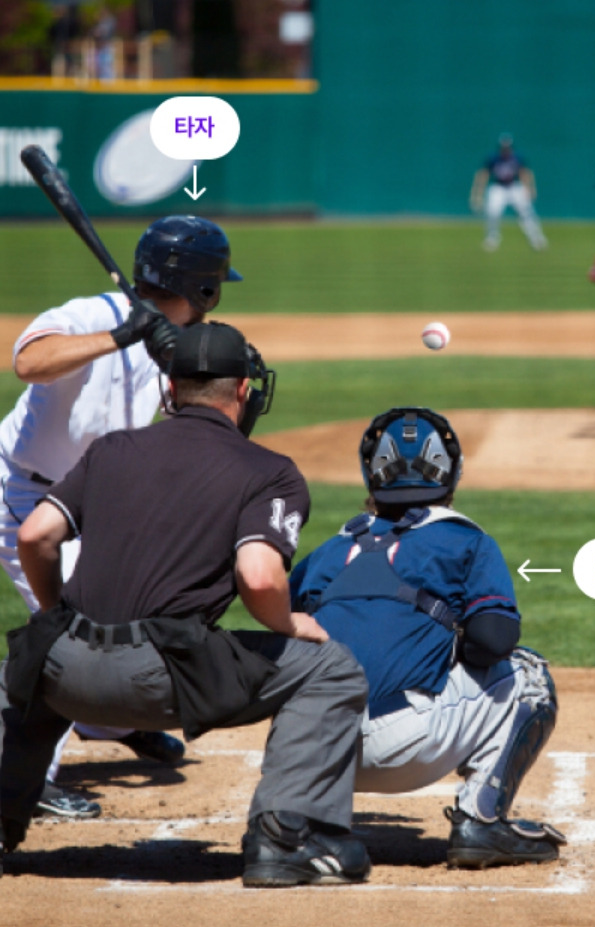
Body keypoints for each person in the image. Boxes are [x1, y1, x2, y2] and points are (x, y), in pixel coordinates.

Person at [0, 321, 371, 887]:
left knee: (16, 675)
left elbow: (34, 535)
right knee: (330, 668)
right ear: (244, 390)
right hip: (163, 680)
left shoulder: (111, 449)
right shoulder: (268, 472)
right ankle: (285, 840)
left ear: (169, 389)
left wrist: (56, 622)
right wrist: (288, 621)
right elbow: (259, 576)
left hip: (65, 674)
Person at [0, 215, 241, 818]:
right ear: (203, 287)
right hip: (24, 492)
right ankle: (26, 780)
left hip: (90, 497)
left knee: (128, 610)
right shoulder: (92, 314)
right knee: (69, 626)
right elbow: (28, 361)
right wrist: (120, 334)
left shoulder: (172, 338)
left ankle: (106, 724)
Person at [289, 407, 565, 869]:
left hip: (309, 751)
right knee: (529, 675)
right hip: (404, 748)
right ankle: (481, 821)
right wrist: (446, 645)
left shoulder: (329, 551)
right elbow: (493, 640)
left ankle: (298, 821)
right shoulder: (466, 541)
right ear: (452, 472)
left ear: (371, 474)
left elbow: (285, 628)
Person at [470, 134, 548, 252]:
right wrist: (477, 192)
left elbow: (524, 172)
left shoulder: (517, 157)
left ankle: (536, 238)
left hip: (514, 187)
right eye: (504, 148)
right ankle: (492, 238)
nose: (506, 150)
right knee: (492, 212)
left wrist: (529, 188)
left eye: (508, 148)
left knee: (527, 212)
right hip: (498, 187)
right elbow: (483, 174)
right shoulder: (493, 158)